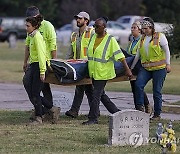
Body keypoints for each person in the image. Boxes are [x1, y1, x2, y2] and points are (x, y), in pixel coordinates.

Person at [82, 17, 132, 125]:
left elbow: (120, 56)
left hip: (103, 73)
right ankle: (116, 112)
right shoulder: (93, 37)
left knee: (96, 95)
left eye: (97, 26)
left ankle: (93, 118)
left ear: (104, 27)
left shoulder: (110, 40)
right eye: (94, 26)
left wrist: (127, 70)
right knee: (101, 95)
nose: (95, 28)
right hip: (93, 71)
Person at [23, 6, 60, 124]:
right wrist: (25, 61)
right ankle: (48, 109)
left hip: (43, 63)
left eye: (29, 23)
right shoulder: (31, 33)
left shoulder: (44, 29)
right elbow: (28, 46)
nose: (26, 26)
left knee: (39, 90)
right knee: (29, 85)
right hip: (34, 63)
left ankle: (41, 114)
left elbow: (51, 46)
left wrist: (51, 64)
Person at [131, 17, 171, 120]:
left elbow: (167, 51)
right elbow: (137, 55)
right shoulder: (142, 38)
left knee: (156, 91)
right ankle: (140, 108)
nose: (145, 30)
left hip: (159, 68)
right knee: (138, 85)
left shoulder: (159, 36)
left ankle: (157, 114)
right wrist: (131, 68)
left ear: (151, 27)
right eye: (143, 29)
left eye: (146, 28)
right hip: (146, 68)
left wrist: (168, 64)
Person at [65, 11, 94, 118]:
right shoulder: (74, 35)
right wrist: (66, 62)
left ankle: (75, 110)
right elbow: (70, 51)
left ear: (86, 21)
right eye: (77, 18)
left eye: (80, 18)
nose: (77, 20)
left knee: (86, 89)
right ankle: (80, 110)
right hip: (78, 66)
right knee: (84, 88)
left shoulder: (92, 32)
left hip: (88, 65)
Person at [127, 21, 151, 113]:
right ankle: (139, 107)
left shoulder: (142, 40)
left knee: (137, 87)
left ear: (140, 30)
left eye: (134, 28)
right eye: (131, 28)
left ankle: (145, 106)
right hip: (131, 64)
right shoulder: (132, 41)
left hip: (138, 65)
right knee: (134, 87)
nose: (132, 30)